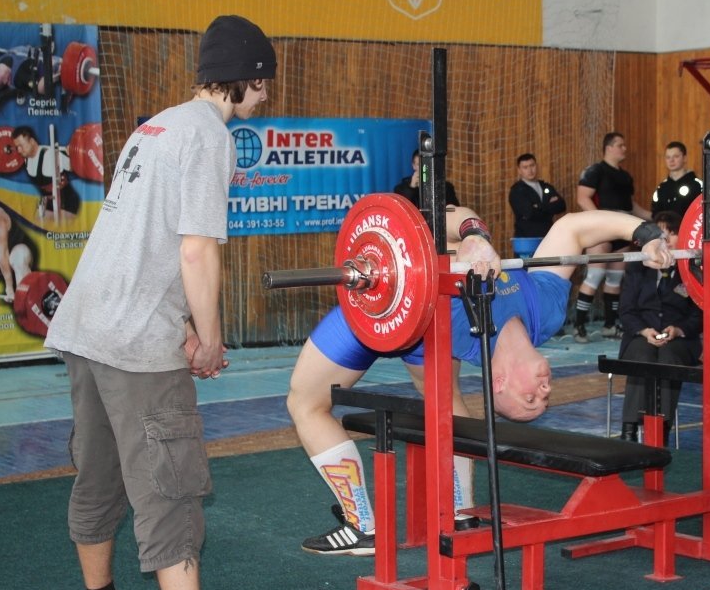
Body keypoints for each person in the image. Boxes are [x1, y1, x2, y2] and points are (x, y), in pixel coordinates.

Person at [43, 15, 276, 590]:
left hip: (87, 326)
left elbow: (145, 240)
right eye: (263, 84)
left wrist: (187, 325)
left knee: (100, 474)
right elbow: (196, 250)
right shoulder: (209, 137)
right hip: (134, 342)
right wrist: (212, 338)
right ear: (246, 78)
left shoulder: (157, 125)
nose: (264, 97)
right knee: (170, 487)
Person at [287, 207, 672, 555]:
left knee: (305, 405)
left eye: (531, 400)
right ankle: (462, 516)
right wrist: (646, 234)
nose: (545, 392)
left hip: (377, 313)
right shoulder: (546, 312)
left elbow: (430, 229)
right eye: (546, 398)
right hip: (421, 319)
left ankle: (361, 527)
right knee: (445, 403)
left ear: (498, 382)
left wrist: (460, 244)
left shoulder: (459, 334)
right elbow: (572, 229)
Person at [617, 211, 702, 442]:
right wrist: (644, 331)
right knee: (641, 355)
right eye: (660, 235)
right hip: (641, 335)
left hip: (679, 340)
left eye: (671, 234)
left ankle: (660, 432)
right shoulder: (637, 267)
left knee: (668, 358)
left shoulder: (692, 269)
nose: (666, 240)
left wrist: (678, 330)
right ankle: (629, 431)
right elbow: (626, 310)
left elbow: (699, 315)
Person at [572, 132, 651, 343]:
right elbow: (582, 198)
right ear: (608, 147)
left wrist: (652, 217)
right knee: (594, 275)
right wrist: (601, 221)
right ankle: (579, 326)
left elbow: (630, 206)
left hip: (621, 231)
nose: (624, 148)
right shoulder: (595, 171)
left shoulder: (625, 177)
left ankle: (610, 325)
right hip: (601, 231)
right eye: (620, 145)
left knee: (615, 278)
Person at [11, 125, 81, 222]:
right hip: (48, 202)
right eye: (17, 147)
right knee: (35, 223)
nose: (19, 150)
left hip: (67, 203)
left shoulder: (50, 155)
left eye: (21, 145)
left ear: (32, 141)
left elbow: (77, 167)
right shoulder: (26, 159)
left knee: (56, 227)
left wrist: (72, 153)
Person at [0, 198, 35, 301]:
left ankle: (25, 299)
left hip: (17, 253)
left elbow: (3, 253)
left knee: (17, 257)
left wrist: (9, 288)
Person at [508, 152, 566, 238]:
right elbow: (530, 213)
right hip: (527, 239)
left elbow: (561, 206)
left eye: (532, 165)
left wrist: (538, 206)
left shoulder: (546, 187)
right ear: (519, 170)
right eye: (525, 167)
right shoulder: (516, 191)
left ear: (536, 166)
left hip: (548, 235)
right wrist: (549, 206)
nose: (530, 170)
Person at [650, 141, 703, 218]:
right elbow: (655, 214)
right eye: (668, 157)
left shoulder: (697, 185)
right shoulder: (661, 188)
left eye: (676, 156)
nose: (671, 160)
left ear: (684, 158)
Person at [393, 149, 459, 206]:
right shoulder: (400, 188)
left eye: (426, 165)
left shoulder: (445, 187)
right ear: (413, 166)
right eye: (419, 164)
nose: (423, 168)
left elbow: (454, 209)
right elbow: (401, 207)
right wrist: (411, 187)